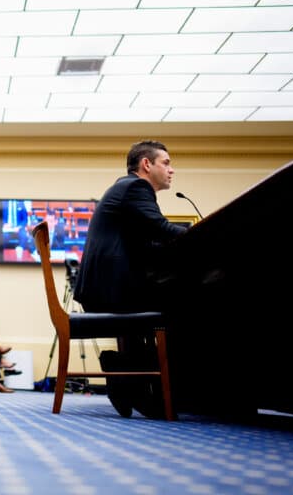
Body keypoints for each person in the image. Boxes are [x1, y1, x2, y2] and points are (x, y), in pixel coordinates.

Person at [73, 140, 189, 418]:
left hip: (104, 288)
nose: (172, 170)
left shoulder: (125, 189)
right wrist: (201, 237)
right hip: (113, 289)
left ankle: (129, 375)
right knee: (184, 306)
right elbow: (161, 229)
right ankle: (145, 383)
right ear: (146, 164)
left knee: (176, 302)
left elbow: (147, 243)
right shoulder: (136, 187)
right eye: (166, 163)